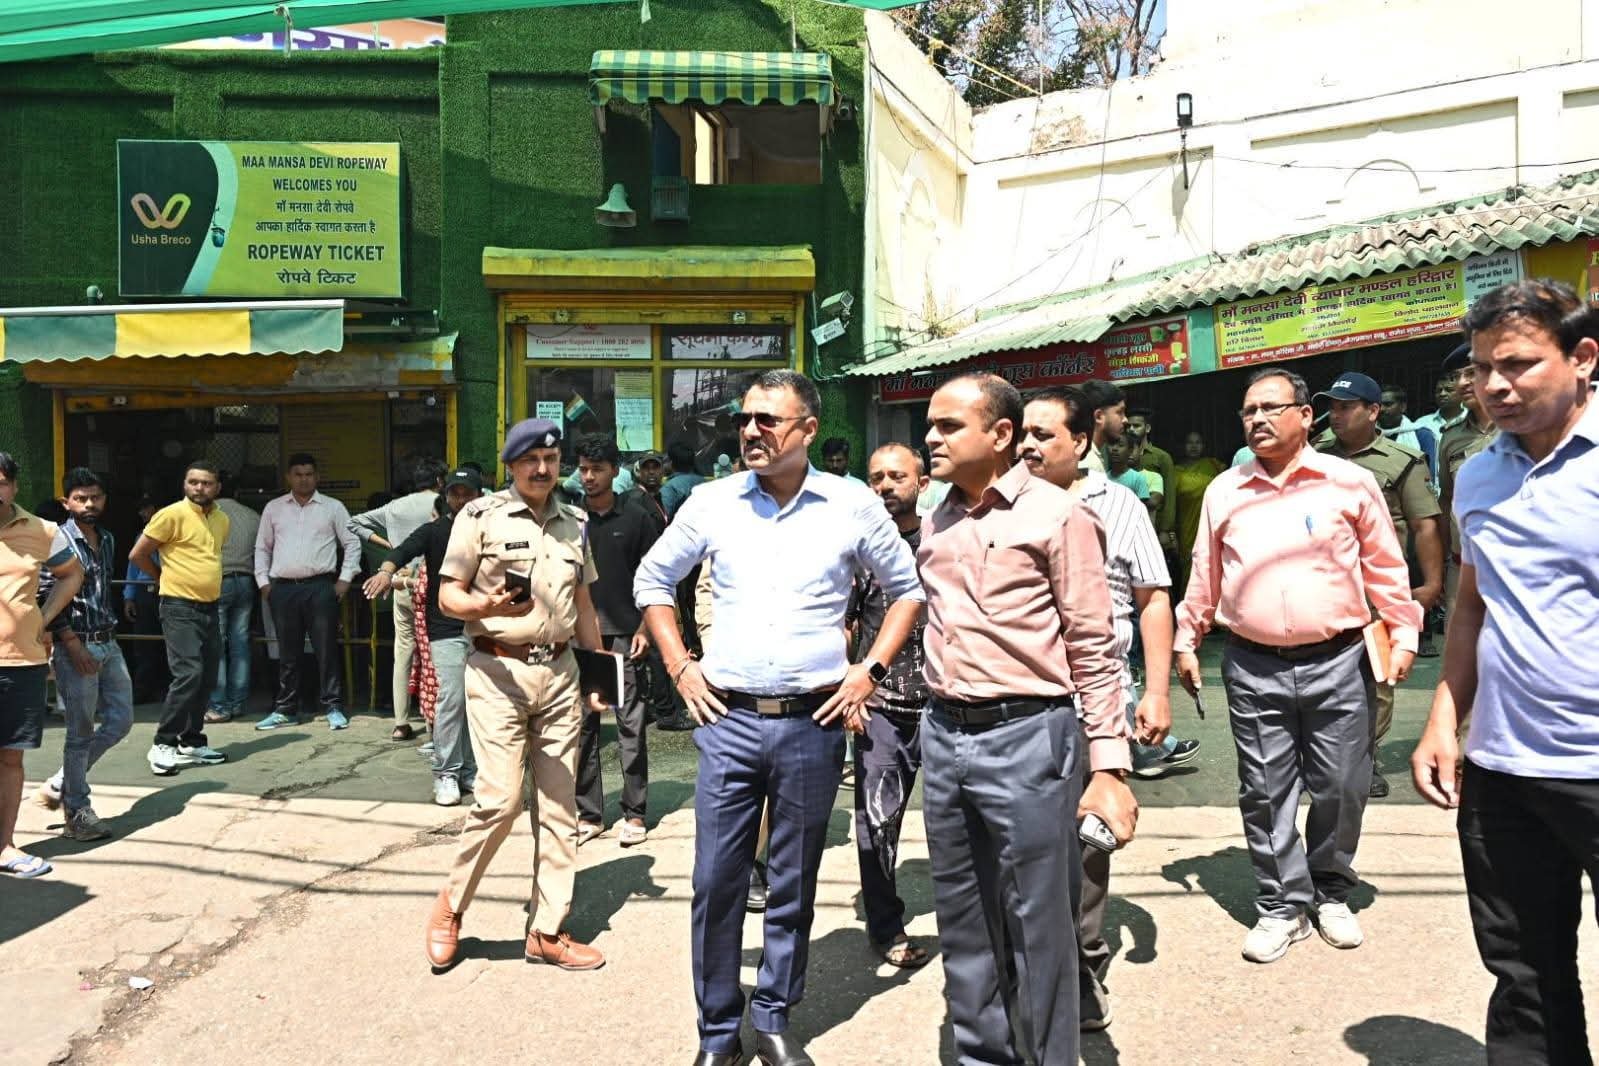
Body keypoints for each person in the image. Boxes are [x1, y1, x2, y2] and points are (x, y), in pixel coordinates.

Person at [634, 370, 924, 1066]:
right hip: (729, 721)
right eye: (744, 419)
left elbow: (907, 590)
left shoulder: (850, 504)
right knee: (716, 881)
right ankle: (717, 1033)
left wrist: (868, 672)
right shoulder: (713, 502)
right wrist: (680, 665)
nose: (750, 430)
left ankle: (771, 1016)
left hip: (813, 723)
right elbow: (652, 579)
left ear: (807, 430)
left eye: (767, 419)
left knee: (792, 881)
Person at [919, 372, 1133, 1066]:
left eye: (948, 426)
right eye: (931, 425)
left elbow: (1093, 645)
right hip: (944, 734)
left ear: (1000, 434)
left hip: (1028, 736)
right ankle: (984, 1054)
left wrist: (1108, 767)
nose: (930, 438)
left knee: (1039, 925)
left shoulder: (1059, 516)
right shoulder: (937, 516)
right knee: (963, 918)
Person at [1411, 278, 1598, 1065]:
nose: (1493, 384)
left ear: (1582, 357)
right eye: (1482, 367)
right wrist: (1441, 719)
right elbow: (1472, 605)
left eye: (1517, 364)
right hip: (1502, 771)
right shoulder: (1478, 475)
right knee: (1523, 976)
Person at [1175, 367, 1421, 964]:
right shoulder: (1226, 490)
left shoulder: (1349, 482)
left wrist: (1405, 630)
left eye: (1270, 407)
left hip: (1340, 658)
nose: (1257, 419)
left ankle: (1330, 888)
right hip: (1252, 663)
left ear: (1305, 415)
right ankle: (1282, 905)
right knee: (1265, 789)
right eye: (1248, 411)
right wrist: (1188, 636)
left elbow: (1385, 566)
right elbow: (1205, 571)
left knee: (1343, 783)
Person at [1018, 386, 1191, 1032]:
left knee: (1089, 840)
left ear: (1081, 441)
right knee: (1025, 841)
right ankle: (1031, 964)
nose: (1028, 445)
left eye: (1043, 434)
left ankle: (1083, 965)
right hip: (1020, 702)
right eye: (1022, 434)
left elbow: (1152, 599)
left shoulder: (1119, 505)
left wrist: (1156, 690)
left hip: (1096, 698)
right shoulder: (1001, 505)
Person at [423, 417, 608, 975]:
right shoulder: (479, 517)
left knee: (559, 806)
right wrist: (485, 607)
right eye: (531, 460)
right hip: (497, 672)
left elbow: (583, 604)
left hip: (560, 675)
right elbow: (448, 596)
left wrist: (600, 674)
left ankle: (547, 930)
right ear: (511, 466)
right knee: (500, 801)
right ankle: (451, 908)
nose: (542, 469)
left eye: (551, 460)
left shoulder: (576, 521)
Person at [1314, 371, 1444, 799]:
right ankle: (1325, 757)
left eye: (1346, 407)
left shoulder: (1402, 460)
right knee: (1321, 675)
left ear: (1373, 412)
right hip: (1322, 587)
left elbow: (1425, 525)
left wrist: (1432, 583)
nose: (1335, 415)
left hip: (1377, 591)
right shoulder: (1314, 455)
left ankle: (1365, 758)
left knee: (1377, 678)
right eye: (1332, 407)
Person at [847, 442, 934, 971]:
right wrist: (847, 694)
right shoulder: (859, 552)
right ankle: (885, 925)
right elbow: (842, 624)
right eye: (876, 477)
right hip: (881, 708)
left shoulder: (945, 542)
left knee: (961, 826)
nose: (885, 486)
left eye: (897, 476)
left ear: (922, 484)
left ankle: (974, 924)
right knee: (877, 823)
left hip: (948, 708)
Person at [364, 467, 483, 807]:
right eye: (455, 493)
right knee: (453, 698)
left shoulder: (490, 529)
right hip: (446, 627)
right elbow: (402, 551)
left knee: (478, 702)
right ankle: (446, 772)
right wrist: (386, 572)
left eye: (467, 493)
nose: (461, 499)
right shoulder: (435, 530)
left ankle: (469, 769)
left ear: (479, 496)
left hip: (486, 624)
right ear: (446, 496)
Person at [34, 468, 132, 841]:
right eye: (80, 498)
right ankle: (77, 813)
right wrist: (71, 644)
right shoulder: (56, 540)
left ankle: (63, 781)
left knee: (121, 721)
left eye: (95, 497)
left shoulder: (107, 538)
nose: (89, 504)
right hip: (76, 644)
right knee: (80, 733)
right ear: (67, 502)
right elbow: (46, 595)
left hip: (109, 642)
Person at [572, 434, 660, 849]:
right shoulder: (570, 520)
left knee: (630, 726)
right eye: (583, 469)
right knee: (582, 728)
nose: (588, 477)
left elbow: (658, 578)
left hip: (625, 634)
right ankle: (589, 814)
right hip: (580, 636)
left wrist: (646, 627)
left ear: (614, 471)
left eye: (597, 469)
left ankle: (635, 812)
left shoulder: (637, 517)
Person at [0, 452, 83, 878]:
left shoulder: (43, 530)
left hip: (19, 662)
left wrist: (43, 618)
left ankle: (5, 846)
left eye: (0, 482)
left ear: (13, 486)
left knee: (9, 760)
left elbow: (72, 573)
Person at [129, 460, 231, 776]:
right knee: (188, 673)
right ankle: (163, 743)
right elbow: (137, 554)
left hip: (210, 607)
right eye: (193, 482)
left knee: (207, 677)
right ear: (185, 484)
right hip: (178, 607)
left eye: (206, 483)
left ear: (217, 487)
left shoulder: (222, 519)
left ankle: (192, 740)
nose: (199, 488)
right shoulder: (170, 514)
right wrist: (161, 577)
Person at [253, 453, 360, 731]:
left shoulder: (333, 507)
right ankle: (286, 709)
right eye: (298, 474)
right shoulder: (274, 508)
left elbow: (352, 543)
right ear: (288, 477)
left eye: (309, 474)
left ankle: (333, 706)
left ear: (317, 477)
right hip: (283, 588)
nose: (304, 479)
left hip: (320, 587)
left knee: (326, 649)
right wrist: (263, 583)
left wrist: (344, 580)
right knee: (287, 652)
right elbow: (262, 547)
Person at [348, 456, 447, 740]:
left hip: (401, 584)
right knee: (434, 653)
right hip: (434, 586)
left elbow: (353, 523)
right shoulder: (443, 505)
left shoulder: (394, 507)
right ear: (439, 480)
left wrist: (390, 545)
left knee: (403, 652)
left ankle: (401, 722)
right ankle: (432, 721)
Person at [1437, 343, 1498, 616]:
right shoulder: (1450, 438)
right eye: (1455, 377)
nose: (1462, 383)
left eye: (1470, 373)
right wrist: (1442, 563)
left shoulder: (1524, 428)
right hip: (1462, 566)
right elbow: (1447, 499)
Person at [207, 472, 260, 724]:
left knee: (216, 645)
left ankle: (218, 706)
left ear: (216, 489)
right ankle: (237, 703)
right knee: (240, 643)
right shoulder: (252, 516)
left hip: (218, 580)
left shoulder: (208, 515)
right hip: (246, 580)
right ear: (238, 492)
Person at [123, 496, 167, 702]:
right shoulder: (142, 535)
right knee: (143, 644)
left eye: (146, 508)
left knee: (168, 644)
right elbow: (133, 567)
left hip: (168, 591)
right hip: (145, 591)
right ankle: (142, 689)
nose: (142, 513)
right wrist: (129, 596)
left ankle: (167, 689)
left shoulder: (173, 532)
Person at [1172, 431, 1225, 591]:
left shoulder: (1214, 466)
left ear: (1204, 446)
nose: (1194, 446)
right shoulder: (1176, 471)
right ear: (1183, 446)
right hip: (1187, 526)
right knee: (1190, 567)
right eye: (1190, 442)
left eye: (1198, 442)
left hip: (1213, 524)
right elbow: (1171, 504)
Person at [1127, 407, 1178, 553]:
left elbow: (1170, 495)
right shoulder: (1121, 454)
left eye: (1136, 426)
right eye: (1128, 426)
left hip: (1154, 522)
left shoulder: (1161, 457)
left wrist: (1165, 529)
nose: (1131, 429)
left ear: (1147, 428)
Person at [1414, 371, 1466, 492]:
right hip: (1429, 492)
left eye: (1449, 390)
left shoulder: (1472, 420)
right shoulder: (1422, 424)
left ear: (1462, 393)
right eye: (1439, 391)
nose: (1442, 394)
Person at [1379, 383, 1438, 478]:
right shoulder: (1369, 434)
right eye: (1379, 405)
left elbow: (1430, 475)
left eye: (1388, 404)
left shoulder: (1421, 435)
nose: (1381, 409)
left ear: (1403, 407)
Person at [1079, 379, 1128, 473]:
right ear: (1099, 416)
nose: (1125, 420)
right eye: (1119, 412)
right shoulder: (1088, 462)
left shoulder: (1085, 455)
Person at [660, 441, 706, 520]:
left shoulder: (670, 487)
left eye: (665, 460)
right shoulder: (705, 482)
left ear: (671, 462)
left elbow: (663, 518)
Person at [1103, 435, 1151, 503]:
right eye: (1111, 444)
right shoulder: (1103, 479)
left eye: (1120, 445)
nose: (1114, 448)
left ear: (1130, 450)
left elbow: (1142, 506)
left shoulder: (1138, 479)